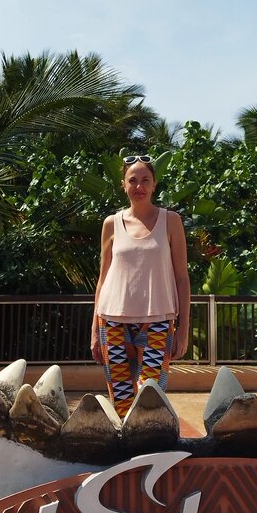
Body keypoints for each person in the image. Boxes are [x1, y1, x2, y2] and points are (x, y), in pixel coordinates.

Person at [91, 155, 191, 418]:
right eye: (132, 180)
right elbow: (103, 278)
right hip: (111, 320)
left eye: (145, 180)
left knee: (150, 395)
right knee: (121, 398)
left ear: (154, 184)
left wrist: (183, 329)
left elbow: (182, 277)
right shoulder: (111, 223)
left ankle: (149, 439)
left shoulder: (171, 221)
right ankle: (128, 443)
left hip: (158, 320)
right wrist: (94, 330)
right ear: (123, 185)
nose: (139, 186)